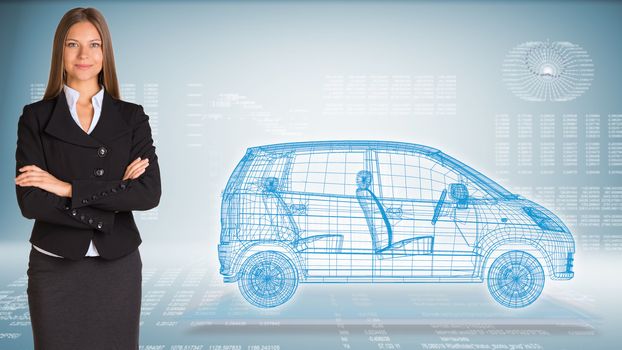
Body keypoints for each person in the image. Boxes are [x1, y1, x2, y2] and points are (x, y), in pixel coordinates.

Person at [14, 7, 161, 350]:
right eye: (73, 44)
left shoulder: (132, 117)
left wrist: (65, 187)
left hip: (118, 265)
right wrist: (116, 193)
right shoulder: (35, 117)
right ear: (59, 52)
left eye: (94, 45)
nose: (84, 55)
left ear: (105, 52)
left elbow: (147, 193)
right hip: (55, 263)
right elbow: (31, 201)